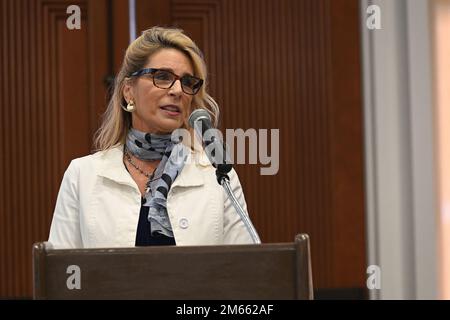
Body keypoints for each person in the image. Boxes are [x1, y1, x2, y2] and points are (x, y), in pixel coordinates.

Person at [48, 26, 255, 249]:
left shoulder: (219, 176)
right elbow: (61, 275)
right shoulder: (82, 176)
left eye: (187, 82)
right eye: (163, 77)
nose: (178, 91)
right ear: (129, 91)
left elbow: (245, 270)